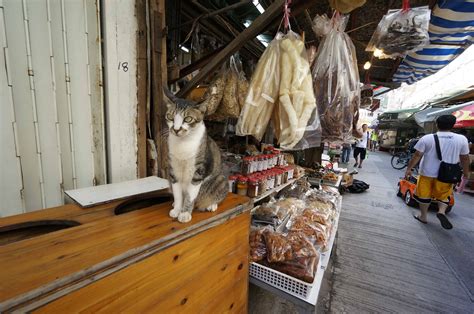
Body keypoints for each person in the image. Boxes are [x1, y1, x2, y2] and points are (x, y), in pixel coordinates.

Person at [405, 115, 470, 230]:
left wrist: (409, 169)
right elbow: (465, 158)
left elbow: (417, 155)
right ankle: (441, 211)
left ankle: (423, 216)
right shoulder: (462, 139)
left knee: (424, 195)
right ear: (453, 125)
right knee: (444, 195)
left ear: (436, 124)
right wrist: (466, 172)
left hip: (427, 173)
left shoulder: (427, 138)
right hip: (447, 174)